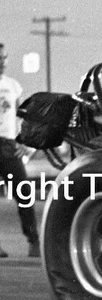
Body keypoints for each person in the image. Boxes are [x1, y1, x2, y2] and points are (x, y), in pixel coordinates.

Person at [0, 43, 40, 258]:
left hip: (8, 146)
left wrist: (28, 145)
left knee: (24, 194)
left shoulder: (12, 86)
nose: (2, 61)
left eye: (4, 57)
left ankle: (34, 241)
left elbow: (25, 118)